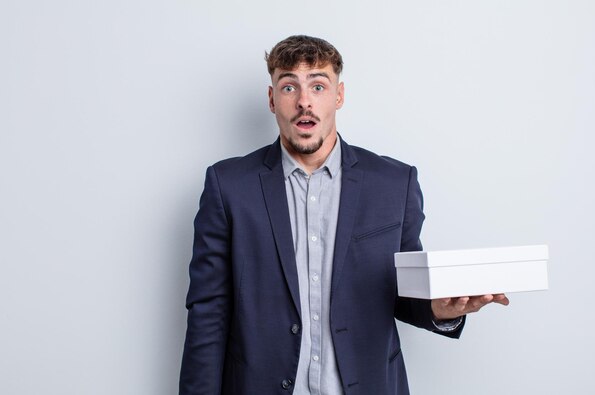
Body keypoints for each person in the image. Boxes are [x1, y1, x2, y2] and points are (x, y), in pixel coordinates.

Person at [179, 35, 509, 395]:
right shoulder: (228, 186)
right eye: (289, 86)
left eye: (318, 85)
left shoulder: (394, 183)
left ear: (338, 96)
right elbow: (208, 313)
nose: (304, 101)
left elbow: (402, 294)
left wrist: (441, 311)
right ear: (272, 100)